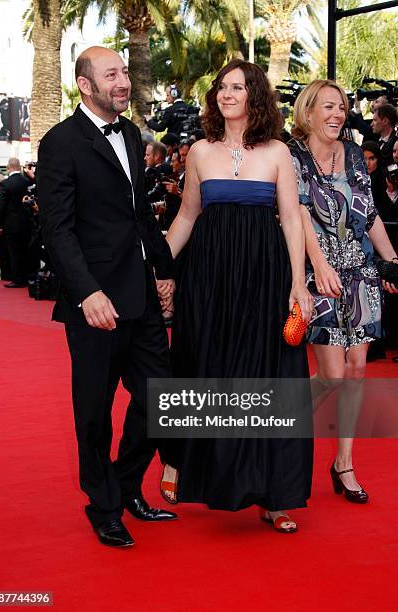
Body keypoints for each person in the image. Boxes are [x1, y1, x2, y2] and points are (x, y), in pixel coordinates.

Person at [159, 59, 314, 533]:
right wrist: (155, 267)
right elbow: (186, 216)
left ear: (255, 96)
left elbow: (291, 219)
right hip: (209, 277)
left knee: (267, 375)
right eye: (222, 87)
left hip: (264, 277)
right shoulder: (201, 151)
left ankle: (275, 493)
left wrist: (297, 281)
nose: (227, 94)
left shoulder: (278, 153)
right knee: (206, 364)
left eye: (238, 87)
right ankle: (190, 467)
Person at [37, 46, 177, 549]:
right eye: (111, 74)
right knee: (94, 411)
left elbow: (139, 215)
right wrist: (87, 292)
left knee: (161, 398)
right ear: (85, 85)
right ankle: (104, 505)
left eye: (124, 72)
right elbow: (57, 229)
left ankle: (124, 483)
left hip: (139, 295)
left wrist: (164, 270)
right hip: (94, 304)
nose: (123, 81)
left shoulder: (134, 132)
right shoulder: (61, 143)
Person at [288, 79, 398, 504]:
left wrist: (390, 261)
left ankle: (344, 463)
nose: (337, 114)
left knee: (356, 371)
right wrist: (319, 266)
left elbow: (367, 213)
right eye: (328, 106)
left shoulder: (353, 153)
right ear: (309, 111)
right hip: (321, 275)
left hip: (360, 273)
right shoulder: (293, 154)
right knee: (332, 374)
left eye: (342, 107)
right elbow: (297, 213)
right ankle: (284, 423)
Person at [0, 158, 31, 287]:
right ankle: (28, 276)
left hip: (11, 223)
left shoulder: (6, 184)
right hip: (27, 222)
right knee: (26, 250)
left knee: (14, 252)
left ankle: (17, 279)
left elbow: (1, 206)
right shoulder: (27, 181)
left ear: (8, 167)